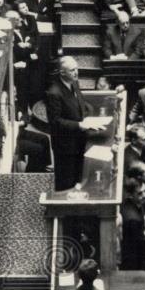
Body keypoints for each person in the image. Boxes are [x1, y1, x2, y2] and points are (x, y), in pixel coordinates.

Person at [45, 56, 104, 191]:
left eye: (77, 69)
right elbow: (55, 122)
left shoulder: (74, 83)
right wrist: (80, 125)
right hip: (65, 146)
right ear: (62, 72)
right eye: (72, 70)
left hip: (78, 140)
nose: (76, 72)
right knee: (66, 182)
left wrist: (88, 117)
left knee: (78, 176)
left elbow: (79, 103)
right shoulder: (54, 93)